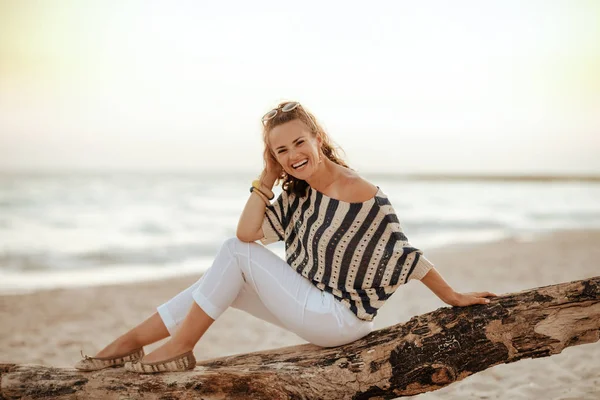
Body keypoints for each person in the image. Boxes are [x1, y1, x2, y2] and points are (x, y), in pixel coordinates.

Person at [75, 101, 496, 374]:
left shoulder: (360, 192)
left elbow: (406, 256)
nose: (293, 155)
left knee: (232, 255)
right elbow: (249, 232)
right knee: (223, 280)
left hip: (339, 319)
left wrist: (453, 296)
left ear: (319, 140)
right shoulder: (299, 193)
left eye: (299, 142)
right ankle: (129, 345)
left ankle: (181, 346)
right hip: (310, 304)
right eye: (281, 151)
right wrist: (266, 180)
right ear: (273, 158)